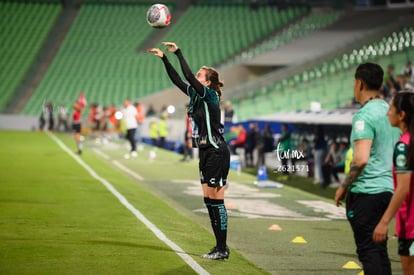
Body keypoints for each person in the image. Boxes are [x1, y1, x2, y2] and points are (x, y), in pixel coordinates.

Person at [148, 42, 230, 260]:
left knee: (217, 199)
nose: (195, 76)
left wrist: (178, 53)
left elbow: (186, 75)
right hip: (204, 151)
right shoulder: (195, 95)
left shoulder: (209, 95)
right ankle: (219, 247)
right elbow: (178, 80)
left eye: (199, 75)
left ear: (208, 82)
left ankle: (223, 248)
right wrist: (164, 59)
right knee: (208, 200)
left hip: (216, 151)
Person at [335, 62, 400, 275]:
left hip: (367, 192)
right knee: (379, 250)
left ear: (359, 83)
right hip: (389, 190)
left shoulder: (364, 116)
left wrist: (344, 187)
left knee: (369, 251)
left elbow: (361, 159)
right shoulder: (391, 112)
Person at [373, 91, 414, 275]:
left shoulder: (404, 146)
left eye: (390, 108)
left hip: (411, 228)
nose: (387, 112)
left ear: (402, 114)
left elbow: (403, 189)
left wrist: (384, 221)